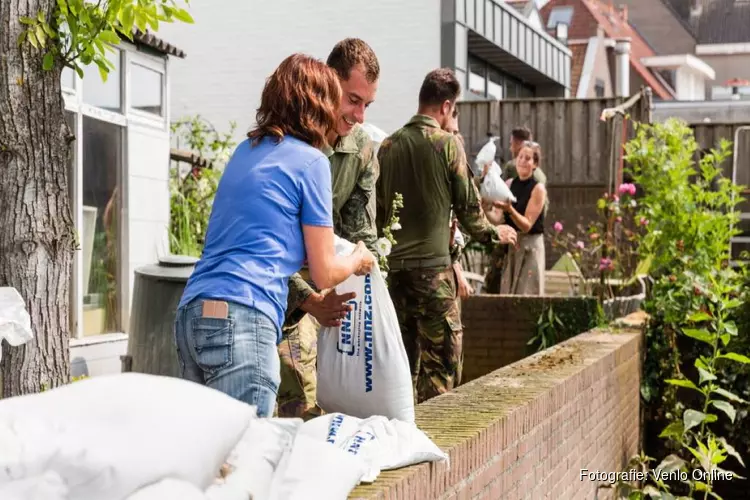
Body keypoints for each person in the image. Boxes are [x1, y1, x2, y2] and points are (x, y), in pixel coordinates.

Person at [173, 54, 375, 418]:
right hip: (243, 318)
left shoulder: (245, 151)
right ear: (318, 104)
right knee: (243, 462)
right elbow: (325, 271)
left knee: (204, 458)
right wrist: (358, 258)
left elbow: (259, 239)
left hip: (194, 312)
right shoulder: (312, 162)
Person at [376, 68, 517, 404]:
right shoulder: (448, 145)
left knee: (400, 372)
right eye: (454, 111)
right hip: (434, 279)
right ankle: (434, 446)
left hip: (395, 278)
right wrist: (496, 233)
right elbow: (471, 215)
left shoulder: (387, 146)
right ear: (446, 106)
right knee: (441, 372)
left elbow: (380, 213)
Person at [277, 39, 381, 420]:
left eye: (367, 104)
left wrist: (373, 298)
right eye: (353, 100)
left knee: (324, 406)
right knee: (295, 399)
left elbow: (362, 238)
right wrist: (310, 300)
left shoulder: (363, 150)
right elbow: (268, 243)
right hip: (281, 285)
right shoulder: (294, 140)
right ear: (328, 81)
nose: (360, 115)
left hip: (326, 282)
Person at [484, 127, 548, 292]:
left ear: (535, 164)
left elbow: (526, 225)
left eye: (528, 158)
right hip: (513, 246)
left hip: (530, 247)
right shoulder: (509, 184)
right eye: (520, 157)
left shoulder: (538, 188)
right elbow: (498, 218)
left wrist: (510, 209)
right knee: (508, 295)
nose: (522, 161)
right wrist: (485, 208)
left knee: (526, 296)